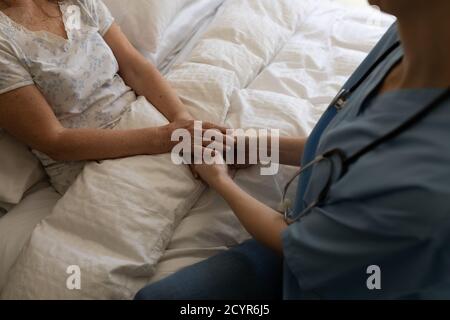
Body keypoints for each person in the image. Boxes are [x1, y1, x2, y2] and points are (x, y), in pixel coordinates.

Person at [135, 0, 450, 300]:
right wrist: (257, 146)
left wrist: (220, 181)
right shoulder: (411, 34)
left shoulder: (423, 184)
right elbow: (352, 149)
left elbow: (294, 243)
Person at [0, 0, 225, 194]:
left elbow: (134, 68)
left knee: (237, 151)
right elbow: (55, 141)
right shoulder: (5, 41)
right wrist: (165, 138)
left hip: (144, 121)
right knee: (222, 180)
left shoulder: (72, 6)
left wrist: (182, 121)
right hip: (93, 162)